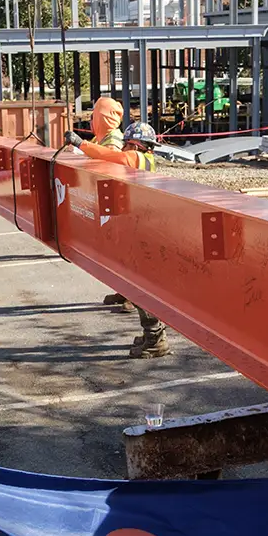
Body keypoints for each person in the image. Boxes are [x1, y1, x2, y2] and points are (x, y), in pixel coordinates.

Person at [63, 120, 170, 358]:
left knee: (141, 285)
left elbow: (116, 158)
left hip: (143, 235)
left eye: (127, 145)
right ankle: (153, 334)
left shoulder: (139, 159)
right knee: (137, 283)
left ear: (134, 144)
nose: (123, 149)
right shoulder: (141, 160)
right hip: (141, 230)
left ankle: (156, 339)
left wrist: (81, 145)